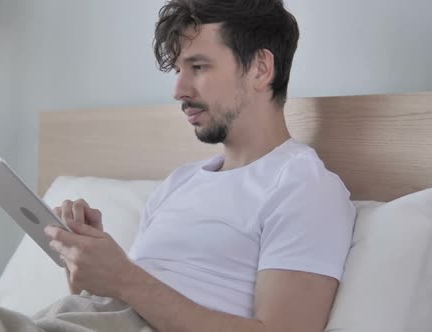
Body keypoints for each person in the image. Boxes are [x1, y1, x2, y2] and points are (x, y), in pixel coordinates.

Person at [44, 1, 356, 331]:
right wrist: (89, 266)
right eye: (179, 70)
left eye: (199, 67)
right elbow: (122, 304)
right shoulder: (179, 183)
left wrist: (124, 278)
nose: (179, 90)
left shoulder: (303, 186)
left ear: (260, 69)